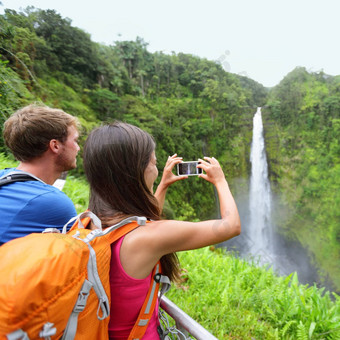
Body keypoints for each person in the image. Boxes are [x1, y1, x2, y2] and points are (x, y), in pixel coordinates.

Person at [82, 122, 241, 340]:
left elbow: (142, 224)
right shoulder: (148, 239)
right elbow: (231, 226)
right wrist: (221, 181)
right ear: (136, 172)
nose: (156, 171)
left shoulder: (90, 221)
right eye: (154, 163)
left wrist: (163, 185)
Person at [0, 104, 80, 245]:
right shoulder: (53, 203)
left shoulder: (3, 176)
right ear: (55, 145)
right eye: (75, 140)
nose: (78, 148)